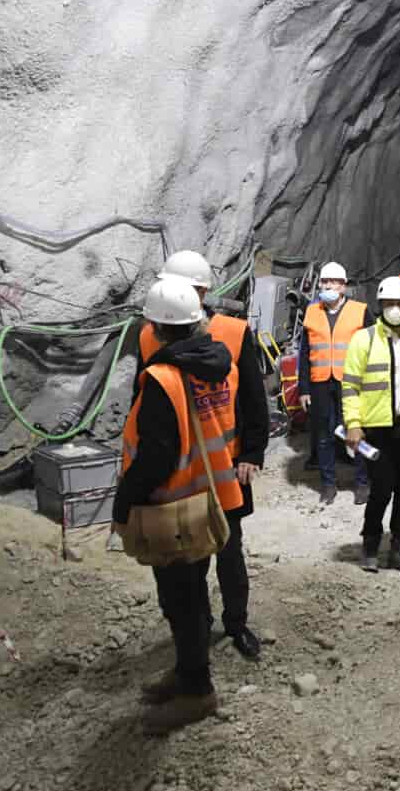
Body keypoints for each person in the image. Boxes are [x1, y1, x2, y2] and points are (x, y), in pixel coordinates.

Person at [118, 277, 238, 733]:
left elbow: (156, 456)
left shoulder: (163, 378)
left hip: (174, 508)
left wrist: (124, 501)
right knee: (190, 597)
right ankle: (187, 672)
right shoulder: (214, 364)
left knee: (181, 600)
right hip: (210, 498)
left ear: (156, 326)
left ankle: (197, 690)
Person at [135, 250, 268, 660]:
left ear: (204, 291)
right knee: (187, 554)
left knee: (229, 548)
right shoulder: (148, 334)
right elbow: (146, 398)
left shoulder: (233, 331)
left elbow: (252, 397)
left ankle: (236, 622)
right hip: (179, 470)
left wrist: (252, 451)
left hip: (226, 464)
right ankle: (198, 629)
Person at [341, 276, 400, 578]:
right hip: (377, 429)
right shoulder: (364, 339)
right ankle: (371, 545)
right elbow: (350, 386)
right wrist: (353, 424)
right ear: (380, 306)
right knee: (381, 491)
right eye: (390, 304)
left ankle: (399, 549)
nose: (396, 310)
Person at [298, 262, 370, 505]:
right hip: (320, 382)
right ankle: (328, 484)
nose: (328, 285)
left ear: (344, 286)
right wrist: (304, 388)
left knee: (356, 430)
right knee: (323, 435)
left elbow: (373, 348)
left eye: (333, 281)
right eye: (324, 281)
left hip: (351, 381)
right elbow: (304, 353)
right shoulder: (311, 312)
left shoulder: (360, 311)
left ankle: (362, 483)